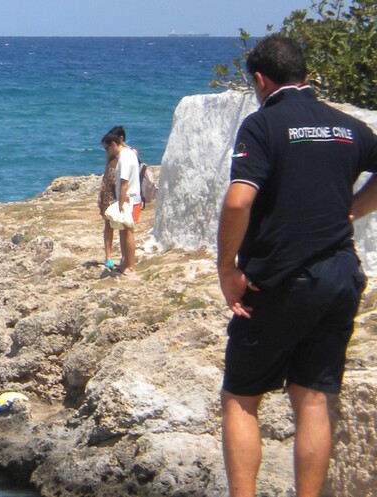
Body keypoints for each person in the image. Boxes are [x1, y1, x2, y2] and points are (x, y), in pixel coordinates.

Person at [216, 35, 377, 497]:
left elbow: (238, 201)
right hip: (341, 276)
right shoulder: (344, 125)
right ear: (304, 76)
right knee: (312, 398)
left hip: (281, 281)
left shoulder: (262, 125)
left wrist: (228, 269)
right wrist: (352, 209)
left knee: (242, 399)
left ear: (261, 80)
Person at [102, 130, 141, 275]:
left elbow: (124, 183)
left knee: (128, 232)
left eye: (107, 149)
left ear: (113, 144)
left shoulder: (124, 158)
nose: (107, 152)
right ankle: (125, 263)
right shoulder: (130, 153)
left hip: (128, 200)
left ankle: (130, 266)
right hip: (131, 198)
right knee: (124, 232)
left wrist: (120, 205)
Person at [98, 125, 126, 270]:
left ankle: (124, 256)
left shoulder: (126, 154)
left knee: (122, 225)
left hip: (119, 191)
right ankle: (108, 257)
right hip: (109, 190)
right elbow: (106, 171)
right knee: (108, 224)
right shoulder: (111, 154)